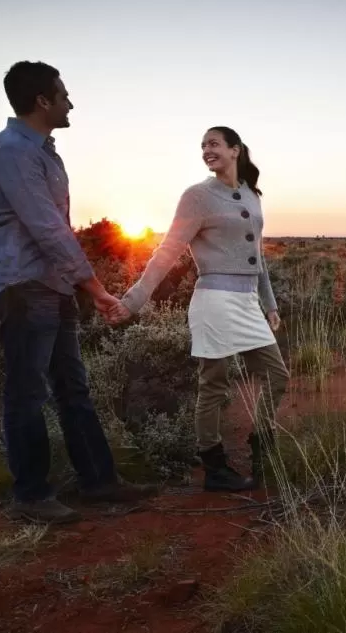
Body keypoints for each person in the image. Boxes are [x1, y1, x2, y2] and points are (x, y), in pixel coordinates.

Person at [0, 61, 160, 524]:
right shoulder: (11, 152)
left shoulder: (42, 152)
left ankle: (99, 481)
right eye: (63, 94)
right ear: (42, 101)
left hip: (52, 285)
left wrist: (76, 285)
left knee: (72, 387)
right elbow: (48, 230)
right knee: (28, 392)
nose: (70, 101)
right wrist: (97, 290)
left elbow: (54, 231)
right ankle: (31, 496)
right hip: (23, 284)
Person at [116, 126, 288, 492]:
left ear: (235, 150)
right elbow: (167, 251)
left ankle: (261, 443)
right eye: (203, 146)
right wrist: (134, 300)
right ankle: (215, 468)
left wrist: (269, 305)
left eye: (214, 144)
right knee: (214, 384)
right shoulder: (196, 197)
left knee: (277, 374)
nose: (206, 150)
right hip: (214, 301)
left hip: (247, 303)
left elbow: (257, 258)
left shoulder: (251, 196)